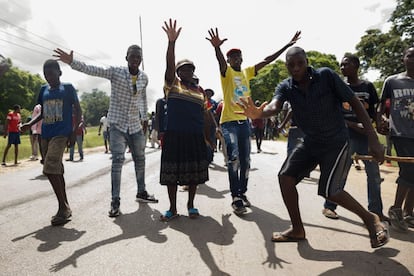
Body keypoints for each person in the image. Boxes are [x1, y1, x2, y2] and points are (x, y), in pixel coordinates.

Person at [237, 46, 389, 249]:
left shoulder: (326, 76)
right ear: (287, 67)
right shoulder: (286, 86)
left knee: (330, 191)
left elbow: (355, 103)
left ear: (307, 62)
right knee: (286, 177)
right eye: (291, 65)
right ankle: (297, 229)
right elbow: (275, 105)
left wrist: (373, 139)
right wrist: (259, 113)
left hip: (336, 141)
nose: (296, 68)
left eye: (300, 63)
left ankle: (370, 219)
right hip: (311, 141)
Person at [54, 43, 158, 218]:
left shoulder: (144, 78)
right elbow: (93, 70)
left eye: (138, 57)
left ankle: (141, 192)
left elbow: (143, 98)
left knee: (140, 160)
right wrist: (73, 63)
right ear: (126, 58)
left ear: (141, 60)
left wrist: (145, 120)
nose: (135, 59)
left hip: (134, 125)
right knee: (117, 161)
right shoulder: (116, 72)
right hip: (117, 124)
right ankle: (115, 202)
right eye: (132, 56)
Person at [206, 27, 301, 215]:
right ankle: (235, 197)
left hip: (245, 123)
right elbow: (219, 62)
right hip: (229, 123)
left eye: (239, 56)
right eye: (233, 57)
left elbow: (267, 60)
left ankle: (242, 193)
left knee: (246, 161)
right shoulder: (227, 74)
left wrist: (286, 46)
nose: (237, 59)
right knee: (233, 159)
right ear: (228, 60)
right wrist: (216, 48)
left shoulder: (247, 73)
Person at [322, 53, 387, 222]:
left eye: (346, 64)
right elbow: (333, 113)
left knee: (373, 175)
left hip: (366, 138)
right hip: (345, 137)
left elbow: (373, 111)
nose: (342, 68)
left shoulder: (368, 86)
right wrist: (352, 125)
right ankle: (329, 207)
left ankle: (376, 211)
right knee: (340, 173)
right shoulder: (339, 87)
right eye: (341, 65)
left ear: (357, 66)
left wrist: (374, 125)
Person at [159, 19, 210, 221]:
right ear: (178, 73)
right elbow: (169, 65)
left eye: (190, 69)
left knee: (193, 175)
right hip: (174, 136)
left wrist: (208, 138)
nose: (186, 71)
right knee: (171, 174)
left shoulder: (200, 92)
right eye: (183, 69)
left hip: (194, 137)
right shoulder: (172, 85)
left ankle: (191, 205)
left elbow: (205, 116)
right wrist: (172, 43)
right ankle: (172, 208)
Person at [21, 59, 81, 226]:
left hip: (61, 134)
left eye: (52, 74)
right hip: (45, 134)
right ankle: (66, 206)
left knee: (49, 167)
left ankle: (62, 207)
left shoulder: (67, 88)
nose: (49, 77)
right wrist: (29, 124)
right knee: (56, 170)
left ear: (59, 73)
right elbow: (43, 112)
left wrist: (74, 131)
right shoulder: (43, 90)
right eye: (46, 74)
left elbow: (78, 109)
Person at [376, 46, 414, 232]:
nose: (413, 59)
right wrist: (380, 121)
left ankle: (409, 213)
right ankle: (396, 209)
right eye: (410, 55)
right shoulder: (393, 81)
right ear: (403, 58)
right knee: (409, 171)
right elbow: (381, 106)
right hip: (400, 132)